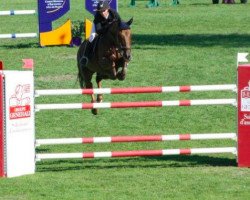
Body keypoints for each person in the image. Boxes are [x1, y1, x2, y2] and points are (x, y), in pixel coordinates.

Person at [81, 0, 121, 66]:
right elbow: (99, 30)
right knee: (92, 37)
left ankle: (124, 53)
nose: (102, 13)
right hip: (99, 29)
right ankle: (85, 56)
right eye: (100, 11)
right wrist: (109, 26)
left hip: (111, 30)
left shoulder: (114, 13)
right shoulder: (97, 16)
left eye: (103, 11)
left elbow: (120, 24)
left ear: (108, 9)